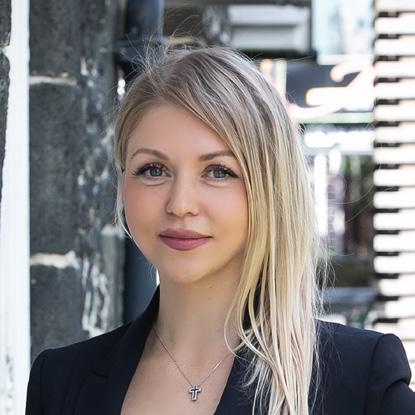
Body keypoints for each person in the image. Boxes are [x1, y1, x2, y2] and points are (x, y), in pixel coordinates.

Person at [25, 46, 414, 415]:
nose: (180, 204)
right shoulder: (59, 381)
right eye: (153, 169)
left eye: (218, 171)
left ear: (270, 188)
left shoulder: (359, 377)